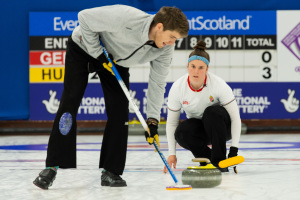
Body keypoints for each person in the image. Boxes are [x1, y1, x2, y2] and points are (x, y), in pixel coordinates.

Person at [33, 5, 189, 189]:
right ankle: (51, 166)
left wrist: (152, 121)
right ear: (160, 27)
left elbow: (157, 83)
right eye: (172, 37)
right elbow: (84, 18)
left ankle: (111, 172)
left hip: (115, 62)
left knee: (120, 113)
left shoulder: (164, 50)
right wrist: (98, 55)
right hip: (84, 48)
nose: (173, 43)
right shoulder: (127, 17)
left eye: (176, 40)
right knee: (69, 103)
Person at [163, 40, 241, 173]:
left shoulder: (218, 84)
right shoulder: (178, 88)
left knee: (212, 112)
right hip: (201, 131)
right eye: (193, 66)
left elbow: (235, 118)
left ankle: (219, 162)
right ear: (187, 66)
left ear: (207, 69)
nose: (196, 71)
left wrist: (234, 150)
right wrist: (172, 153)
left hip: (221, 128)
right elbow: (171, 123)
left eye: (201, 68)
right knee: (181, 132)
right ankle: (208, 159)